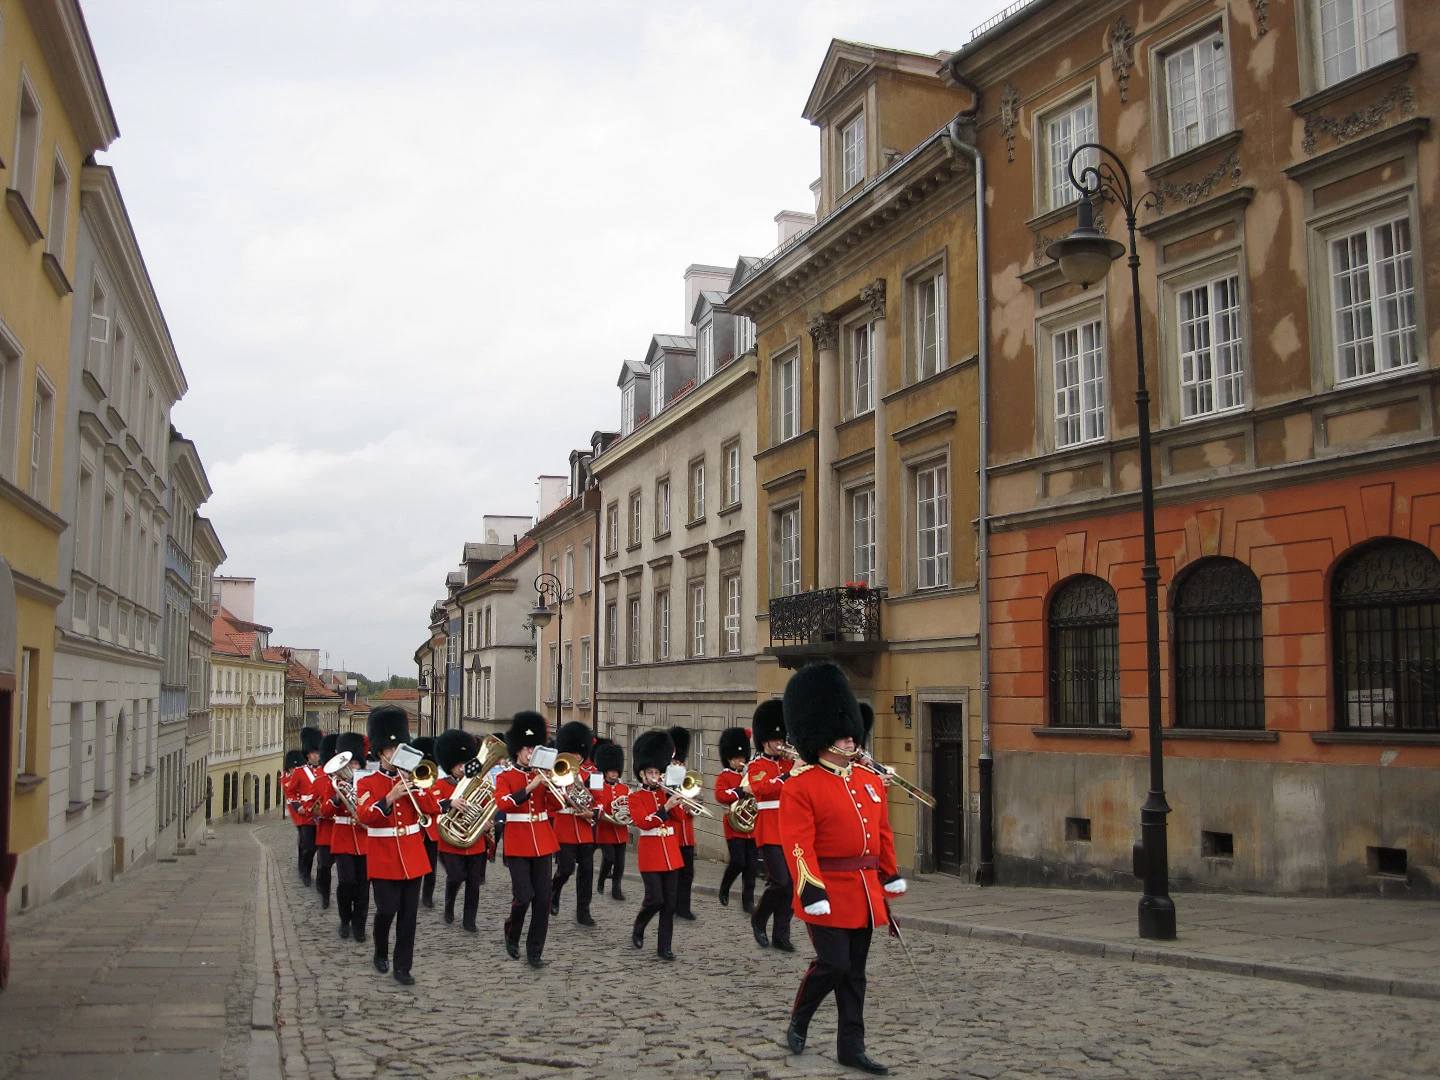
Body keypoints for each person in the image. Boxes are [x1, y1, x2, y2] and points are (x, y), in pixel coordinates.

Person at [779, 663, 905, 1076]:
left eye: (852, 730)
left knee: (855, 975)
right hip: (826, 890)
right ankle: (800, 1018)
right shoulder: (801, 786)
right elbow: (798, 846)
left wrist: (889, 875)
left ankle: (852, 1048)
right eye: (842, 732)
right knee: (833, 965)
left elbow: (881, 835)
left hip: (864, 892)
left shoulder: (867, 780)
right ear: (820, 735)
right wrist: (811, 890)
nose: (852, 736)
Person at [355, 706, 441, 986]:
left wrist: (416, 787)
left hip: (413, 855)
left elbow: (431, 809)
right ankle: (380, 951)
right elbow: (365, 815)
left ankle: (403, 967)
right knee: (386, 910)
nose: (394, 755)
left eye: (398, 749)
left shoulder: (414, 779)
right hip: (383, 856)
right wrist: (389, 797)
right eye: (390, 750)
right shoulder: (367, 782)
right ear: (380, 752)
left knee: (408, 917)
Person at [493, 711, 561, 969]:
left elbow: (557, 805)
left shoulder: (543, 776)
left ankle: (535, 951)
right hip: (518, 842)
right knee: (524, 897)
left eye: (534, 748)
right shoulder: (506, 777)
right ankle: (512, 932)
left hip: (543, 841)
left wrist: (553, 785)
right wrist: (530, 787)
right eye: (526, 748)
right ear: (517, 750)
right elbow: (503, 804)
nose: (530, 753)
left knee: (543, 900)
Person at [628, 730, 683, 961]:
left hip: (671, 853)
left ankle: (664, 947)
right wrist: (666, 808)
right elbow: (644, 822)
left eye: (657, 772)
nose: (654, 776)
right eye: (650, 772)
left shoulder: (665, 794)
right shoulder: (635, 798)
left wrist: (675, 797)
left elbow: (680, 818)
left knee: (669, 904)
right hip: (650, 854)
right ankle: (639, 926)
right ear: (642, 774)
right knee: (655, 899)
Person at [747, 699, 794, 951]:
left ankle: (781, 936)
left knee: (791, 887)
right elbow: (763, 789)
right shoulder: (757, 766)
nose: (780, 744)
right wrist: (789, 774)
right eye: (776, 740)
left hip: (791, 830)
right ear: (765, 741)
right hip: (769, 830)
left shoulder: (789, 763)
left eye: (781, 739)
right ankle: (759, 918)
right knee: (779, 882)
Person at [433, 727, 489, 932]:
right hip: (450, 840)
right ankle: (449, 906)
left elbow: (486, 806)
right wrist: (450, 803)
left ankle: (469, 920)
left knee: (474, 882)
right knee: (456, 876)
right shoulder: (441, 784)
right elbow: (432, 804)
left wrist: (486, 821)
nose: (462, 767)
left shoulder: (477, 784)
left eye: (465, 763)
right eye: (458, 763)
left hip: (475, 840)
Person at [549, 721, 600, 926]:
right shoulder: (556, 773)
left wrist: (592, 812)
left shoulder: (592, 775)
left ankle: (583, 911)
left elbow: (601, 800)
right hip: (564, 827)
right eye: (573, 752)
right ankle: (554, 892)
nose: (577, 756)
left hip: (585, 827)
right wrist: (565, 793)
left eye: (580, 753)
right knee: (566, 868)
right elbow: (551, 799)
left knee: (587, 871)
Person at [321, 732, 370, 944]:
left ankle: (359, 925)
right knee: (346, 882)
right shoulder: (333, 783)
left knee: (363, 886)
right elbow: (325, 811)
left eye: (356, 764)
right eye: (350, 765)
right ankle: (344, 920)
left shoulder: (367, 782)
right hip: (343, 839)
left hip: (364, 839)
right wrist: (337, 797)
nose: (352, 768)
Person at [715, 726, 758, 912]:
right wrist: (741, 790)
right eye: (737, 758)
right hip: (734, 826)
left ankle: (748, 903)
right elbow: (720, 795)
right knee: (738, 862)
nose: (741, 761)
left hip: (752, 826)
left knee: (751, 867)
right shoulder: (724, 776)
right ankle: (725, 887)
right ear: (729, 759)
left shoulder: (750, 775)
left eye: (743, 758)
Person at [665, 725, 698, 921]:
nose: (678, 763)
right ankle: (671, 905)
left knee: (688, 874)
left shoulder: (687, 777)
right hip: (673, 834)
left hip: (687, 835)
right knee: (674, 874)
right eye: (675, 760)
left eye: (680, 760)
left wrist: (692, 805)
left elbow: (696, 802)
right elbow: (672, 812)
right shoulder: (663, 780)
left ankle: (684, 908)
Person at [592, 740, 629, 901]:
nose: (614, 773)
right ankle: (601, 878)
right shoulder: (599, 787)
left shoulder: (624, 789)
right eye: (611, 770)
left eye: (616, 770)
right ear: (605, 771)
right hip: (605, 829)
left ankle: (616, 889)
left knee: (620, 863)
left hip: (621, 830)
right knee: (609, 858)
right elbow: (597, 804)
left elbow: (629, 807)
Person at [288, 726, 324, 884]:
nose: (316, 756)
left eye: (318, 753)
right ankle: (305, 873)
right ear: (308, 754)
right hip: (306, 815)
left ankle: (319, 877)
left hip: (321, 814)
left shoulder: (325, 771)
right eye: (313, 753)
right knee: (308, 847)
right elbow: (291, 792)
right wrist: (298, 807)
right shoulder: (299, 772)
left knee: (321, 849)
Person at [411, 735, 441, 909]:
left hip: (431, 831)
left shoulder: (435, 783)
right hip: (415, 830)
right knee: (415, 865)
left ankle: (427, 897)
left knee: (431, 866)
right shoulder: (410, 784)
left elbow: (434, 807)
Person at [313, 733, 339, 909]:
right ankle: (324, 896)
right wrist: (321, 811)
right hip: (327, 831)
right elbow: (310, 804)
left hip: (345, 832)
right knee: (324, 866)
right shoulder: (319, 781)